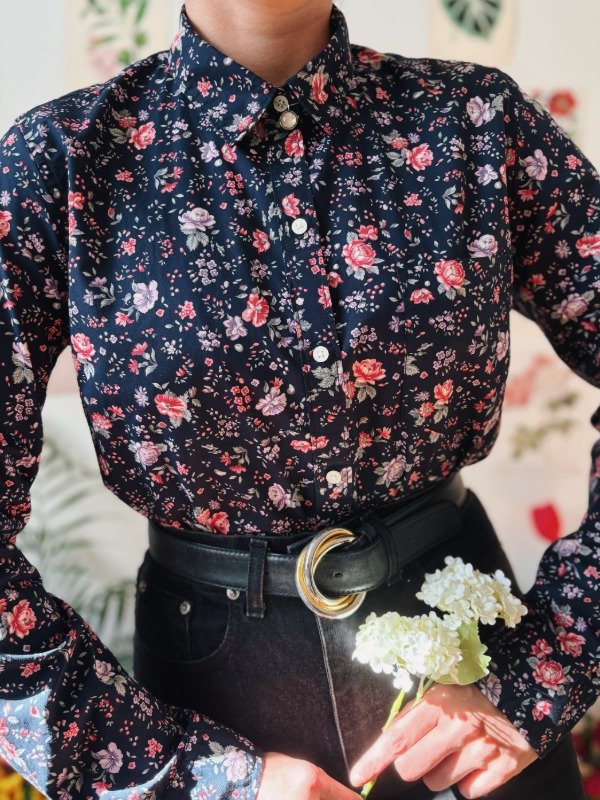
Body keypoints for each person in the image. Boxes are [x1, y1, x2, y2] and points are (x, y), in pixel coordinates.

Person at [0, 0, 598, 798]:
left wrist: (545, 669)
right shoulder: (60, 161)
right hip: (209, 691)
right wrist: (190, 775)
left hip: (472, 680)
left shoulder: (476, 122)